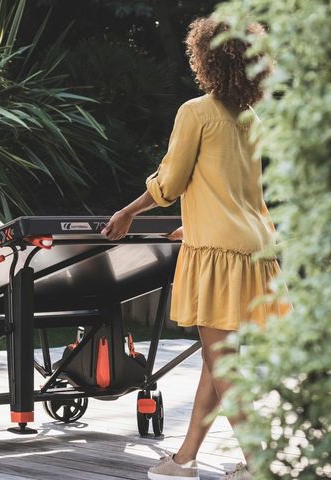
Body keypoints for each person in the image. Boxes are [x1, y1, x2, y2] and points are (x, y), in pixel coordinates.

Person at [101, 17, 287, 480]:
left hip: (219, 256)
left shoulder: (196, 112)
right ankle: (184, 460)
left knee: (221, 361)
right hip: (254, 250)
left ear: (205, 60)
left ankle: (259, 464)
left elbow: (170, 181)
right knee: (216, 359)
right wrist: (195, 224)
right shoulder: (251, 118)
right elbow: (241, 193)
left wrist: (127, 212)